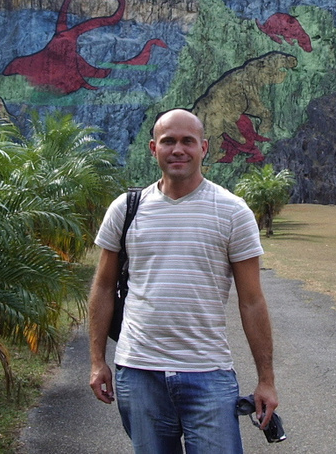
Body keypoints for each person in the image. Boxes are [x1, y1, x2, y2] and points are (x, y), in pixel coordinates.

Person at [88, 108, 278, 453]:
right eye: (168, 141)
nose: (178, 149)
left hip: (208, 372)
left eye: (188, 141)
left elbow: (252, 300)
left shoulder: (232, 212)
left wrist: (266, 379)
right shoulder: (126, 208)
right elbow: (102, 286)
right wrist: (97, 360)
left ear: (204, 148)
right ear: (153, 148)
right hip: (139, 371)